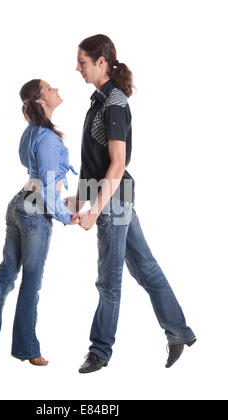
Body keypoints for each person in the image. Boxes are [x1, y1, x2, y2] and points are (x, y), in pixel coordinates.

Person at [66, 34, 196, 373]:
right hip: (114, 198)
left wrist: (93, 211)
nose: (77, 68)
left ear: (101, 62)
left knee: (109, 282)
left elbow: (117, 163)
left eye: (82, 61)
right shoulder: (100, 101)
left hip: (112, 204)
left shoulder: (115, 103)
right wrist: (79, 199)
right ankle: (179, 331)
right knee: (146, 267)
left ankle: (100, 351)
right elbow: (93, 161)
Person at [0, 79, 80, 367]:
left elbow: (37, 176)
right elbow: (46, 187)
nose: (56, 90)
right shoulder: (50, 138)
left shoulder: (31, 132)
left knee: (5, 274)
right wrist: (68, 217)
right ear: (41, 101)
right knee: (31, 283)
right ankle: (27, 349)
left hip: (19, 203)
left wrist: (58, 200)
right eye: (50, 88)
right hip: (34, 210)